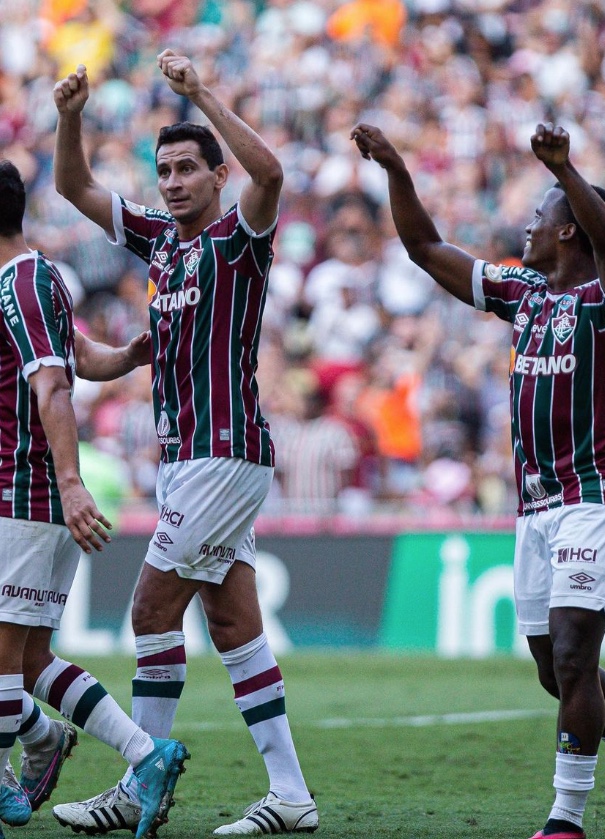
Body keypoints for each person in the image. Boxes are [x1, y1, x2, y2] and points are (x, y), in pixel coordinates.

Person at [351, 122, 605, 839]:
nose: (525, 224)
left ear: (570, 231)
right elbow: (426, 249)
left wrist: (567, 169)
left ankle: (563, 821)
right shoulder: (522, 293)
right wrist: (395, 167)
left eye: (541, 214)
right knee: (557, 672)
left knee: (577, 655)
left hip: (594, 494)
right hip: (534, 507)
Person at [50, 51, 317, 836]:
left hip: (223, 452)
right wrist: (70, 118)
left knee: (150, 607)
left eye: (186, 170)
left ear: (215, 175)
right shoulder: (161, 242)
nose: (170, 182)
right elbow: (73, 187)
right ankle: (291, 793)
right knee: (233, 625)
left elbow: (270, 175)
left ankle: (140, 779)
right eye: (162, 169)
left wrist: (201, 89)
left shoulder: (239, 236)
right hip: (190, 461)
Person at [0, 159, 189, 839]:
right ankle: (145, 752)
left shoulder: (20, 280)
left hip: (21, 490)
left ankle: (21, 762)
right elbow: (78, 354)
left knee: (6, 656)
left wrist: (72, 482)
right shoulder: (34, 277)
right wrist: (131, 354)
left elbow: (54, 384)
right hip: (30, 494)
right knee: (28, 661)